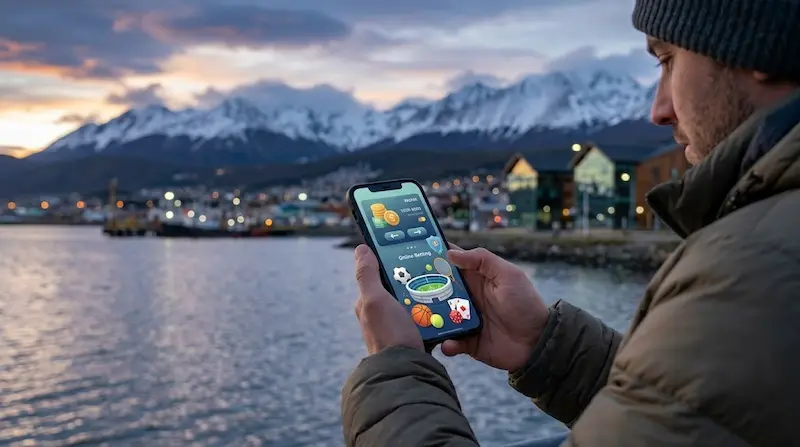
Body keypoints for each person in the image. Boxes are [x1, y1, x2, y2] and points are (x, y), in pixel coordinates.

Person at [341, 0, 800, 445]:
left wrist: (395, 370)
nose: (658, 110)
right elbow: (715, 417)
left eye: (668, 59)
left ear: (756, 42)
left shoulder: (754, 267)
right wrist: (546, 346)